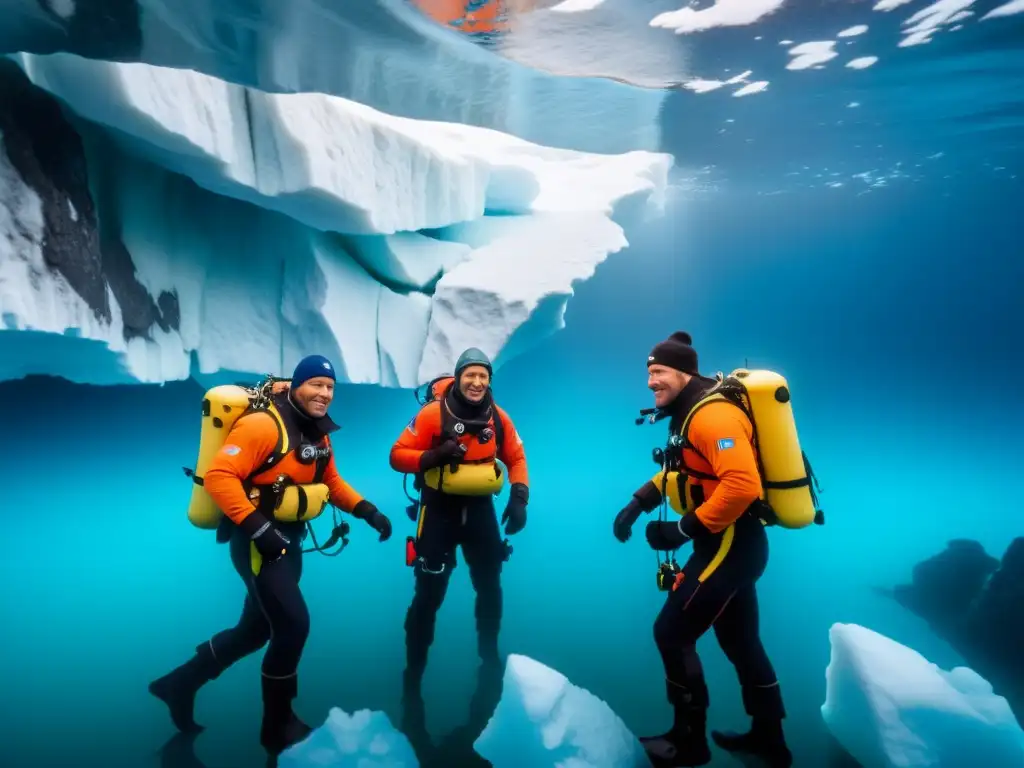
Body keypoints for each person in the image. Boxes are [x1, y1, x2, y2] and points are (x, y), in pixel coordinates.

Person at [149, 354, 393, 755]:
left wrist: (368, 511)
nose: (324, 393)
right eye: (316, 384)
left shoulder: (317, 432)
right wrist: (260, 530)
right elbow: (219, 478)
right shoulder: (262, 425)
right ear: (297, 385)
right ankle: (277, 725)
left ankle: (178, 684)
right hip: (259, 545)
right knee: (293, 626)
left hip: (287, 542)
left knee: (255, 630)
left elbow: (329, 480)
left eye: (330, 387)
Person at [612, 331, 792, 768]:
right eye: (649, 373)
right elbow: (687, 473)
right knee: (741, 642)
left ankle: (688, 742)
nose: (651, 382)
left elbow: (741, 486)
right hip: (733, 544)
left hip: (729, 544)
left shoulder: (712, 417)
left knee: (671, 633)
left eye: (659, 372)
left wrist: (681, 530)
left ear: (684, 372)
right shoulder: (688, 412)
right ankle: (770, 742)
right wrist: (639, 502)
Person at [389, 348, 529, 707]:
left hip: (481, 511)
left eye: (483, 376)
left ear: (489, 381)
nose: (477, 382)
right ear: (459, 377)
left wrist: (519, 497)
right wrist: (431, 456)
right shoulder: (433, 414)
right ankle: (413, 672)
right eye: (471, 375)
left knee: (489, 583)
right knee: (429, 593)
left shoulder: (498, 417)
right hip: (438, 512)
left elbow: (515, 457)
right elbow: (396, 455)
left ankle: (489, 657)